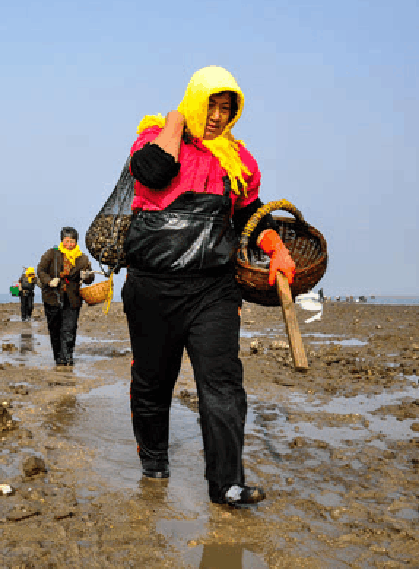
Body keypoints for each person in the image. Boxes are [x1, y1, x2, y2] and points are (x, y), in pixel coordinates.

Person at [121, 66, 296, 506]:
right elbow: (153, 173)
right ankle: (155, 458)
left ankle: (226, 483)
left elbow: (248, 214)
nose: (217, 117)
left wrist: (275, 246)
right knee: (151, 384)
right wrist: (177, 123)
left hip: (212, 292)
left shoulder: (235, 160)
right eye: (211, 106)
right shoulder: (154, 138)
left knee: (222, 385)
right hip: (152, 289)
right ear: (194, 102)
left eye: (226, 109)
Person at [37, 227, 95, 366]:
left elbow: (90, 276)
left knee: (69, 328)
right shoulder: (52, 254)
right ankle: (58, 357)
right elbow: (41, 270)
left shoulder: (82, 258)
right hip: (52, 298)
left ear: (76, 241)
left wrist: (87, 276)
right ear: (62, 241)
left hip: (72, 299)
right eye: (66, 241)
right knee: (54, 328)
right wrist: (49, 281)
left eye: (72, 241)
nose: (69, 244)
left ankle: (67, 357)